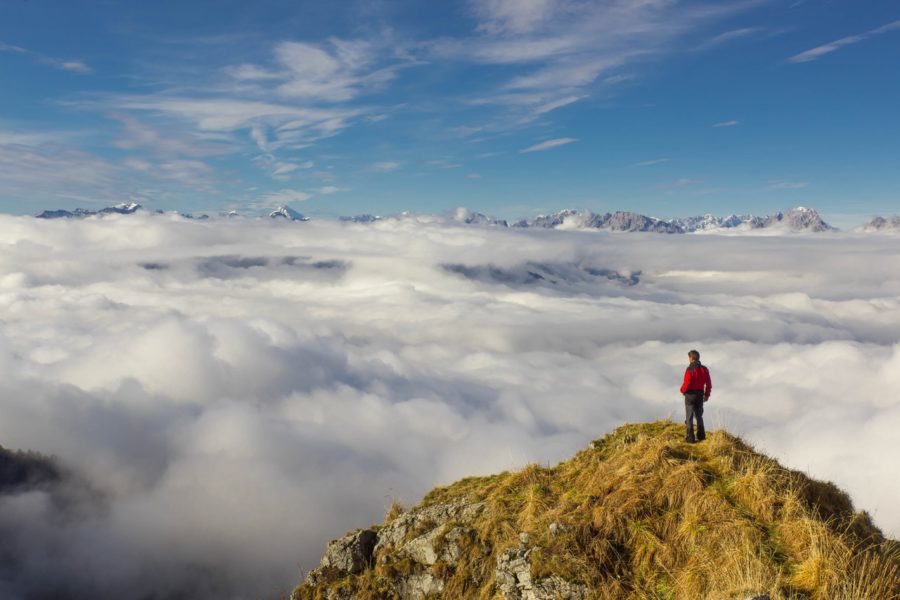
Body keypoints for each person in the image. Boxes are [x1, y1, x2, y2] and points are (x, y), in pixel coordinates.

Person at [680, 349, 711, 443]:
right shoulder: (704, 369)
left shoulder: (689, 369)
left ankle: (690, 438)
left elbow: (687, 383)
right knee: (699, 415)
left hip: (690, 395)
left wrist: (682, 390)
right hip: (700, 395)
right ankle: (701, 436)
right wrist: (706, 395)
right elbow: (708, 384)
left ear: (691, 358)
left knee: (689, 416)